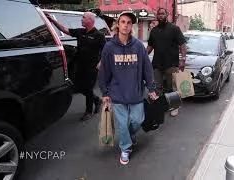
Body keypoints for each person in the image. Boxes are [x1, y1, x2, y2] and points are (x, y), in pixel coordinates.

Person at [98, 11, 158, 165]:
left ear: (132, 26)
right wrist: (104, 92)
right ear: (118, 24)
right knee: (123, 124)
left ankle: (129, 137)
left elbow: (147, 69)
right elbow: (104, 70)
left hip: (135, 92)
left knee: (138, 120)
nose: (125, 25)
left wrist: (151, 88)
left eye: (129, 23)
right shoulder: (109, 47)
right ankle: (126, 148)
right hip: (117, 93)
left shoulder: (138, 46)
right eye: (123, 22)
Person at [45, 12, 106, 121]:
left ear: (90, 20)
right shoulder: (80, 31)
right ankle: (97, 100)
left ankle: (88, 111)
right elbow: (65, 30)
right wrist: (53, 21)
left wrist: (101, 63)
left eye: (83, 18)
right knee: (78, 87)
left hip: (92, 67)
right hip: (79, 65)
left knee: (88, 88)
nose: (81, 19)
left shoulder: (99, 35)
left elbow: (107, 51)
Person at [147, 8, 187, 117]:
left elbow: (182, 45)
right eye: (158, 14)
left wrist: (183, 60)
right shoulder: (154, 31)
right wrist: (142, 57)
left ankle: (174, 107)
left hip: (171, 64)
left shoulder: (174, 29)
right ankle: (160, 106)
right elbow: (150, 47)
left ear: (167, 15)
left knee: (172, 87)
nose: (160, 16)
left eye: (162, 14)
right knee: (157, 88)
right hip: (157, 65)